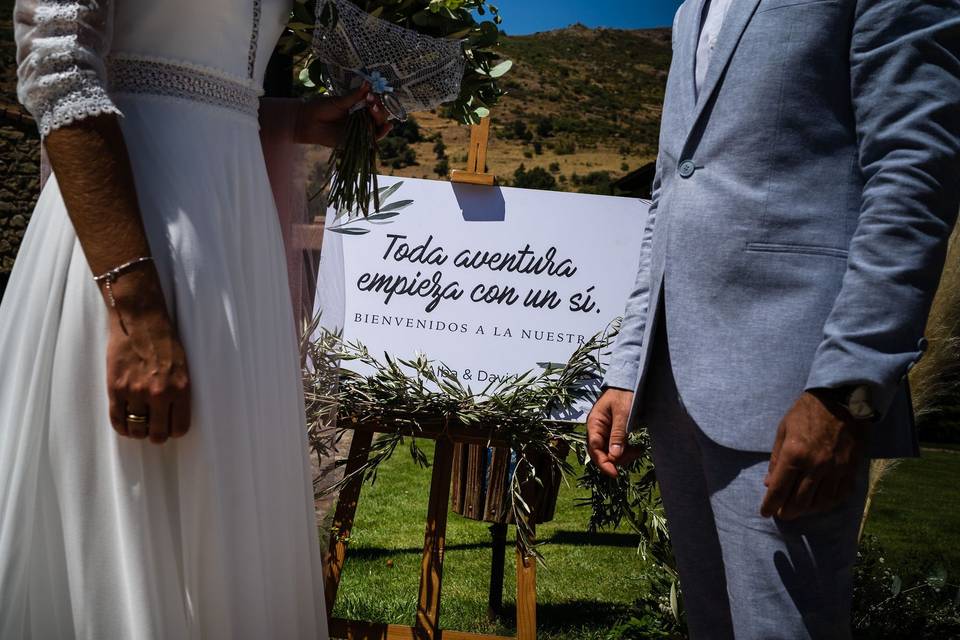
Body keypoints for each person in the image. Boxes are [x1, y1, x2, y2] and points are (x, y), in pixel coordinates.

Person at [0, 0, 390, 637]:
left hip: (237, 234)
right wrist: (135, 310)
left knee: (227, 508)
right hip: (134, 228)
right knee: (134, 502)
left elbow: (205, 79)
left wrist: (294, 118)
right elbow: (58, 64)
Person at [588, 0, 960, 638]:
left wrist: (849, 390)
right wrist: (628, 367)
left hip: (797, 382)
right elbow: (669, 195)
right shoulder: (688, 12)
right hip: (676, 386)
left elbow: (913, 172)